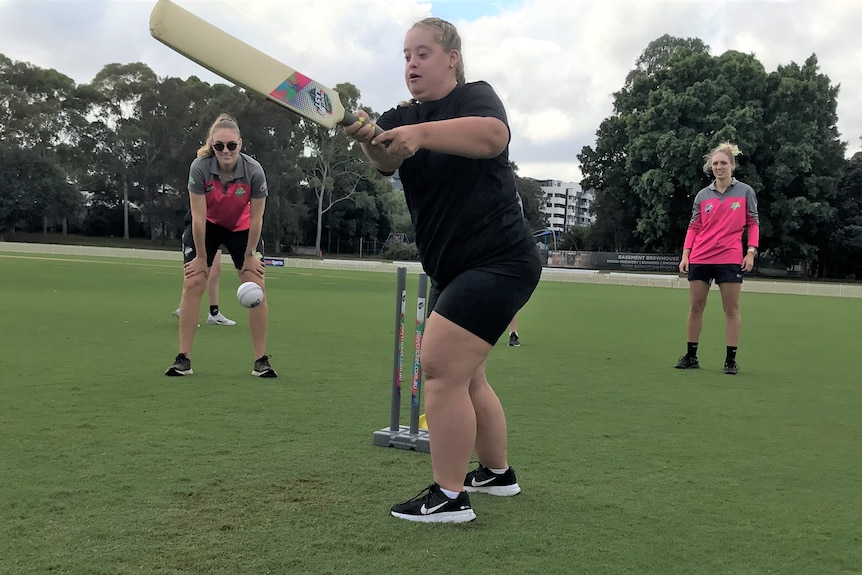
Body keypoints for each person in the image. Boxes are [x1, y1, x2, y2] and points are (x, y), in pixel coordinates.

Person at [345, 17, 542, 523]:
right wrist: (368, 135)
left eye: (423, 53)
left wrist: (418, 133)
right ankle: (497, 474)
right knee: (468, 376)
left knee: (436, 364)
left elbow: (492, 137)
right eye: (406, 55)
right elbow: (385, 163)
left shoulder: (475, 96)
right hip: (454, 268)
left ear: (451, 57)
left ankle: (449, 497)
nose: (411, 63)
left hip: (499, 260)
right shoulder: (398, 115)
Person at [165, 113, 277, 378]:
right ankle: (183, 359)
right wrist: (202, 257)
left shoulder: (254, 171)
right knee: (193, 281)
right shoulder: (200, 168)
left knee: (256, 286)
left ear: (240, 143)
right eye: (219, 146)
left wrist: (250, 254)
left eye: (231, 145)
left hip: (242, 228)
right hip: (208, 224)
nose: (225, 151)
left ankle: (261, 360)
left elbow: (258, 216)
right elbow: (199, 217)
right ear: (212, 145)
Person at [676, 142, 759, 375]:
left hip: (730, 258)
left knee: (731, 309)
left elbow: (753, 223)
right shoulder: (703, 195)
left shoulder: (745, 191)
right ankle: (691, 357)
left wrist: (750, 251)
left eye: (723, 163)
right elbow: (694, 226)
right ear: (710, 167)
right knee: (695, 307)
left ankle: (730, 360)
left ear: (732, 165)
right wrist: (686, 254)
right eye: (715, 164)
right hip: (701, 256)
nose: (719, 167)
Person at [172, 238, 236, 325]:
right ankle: (185, 310)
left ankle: (214, 313)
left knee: (215, 270)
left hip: (215, 229)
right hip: (198, 230)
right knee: (196, 274)